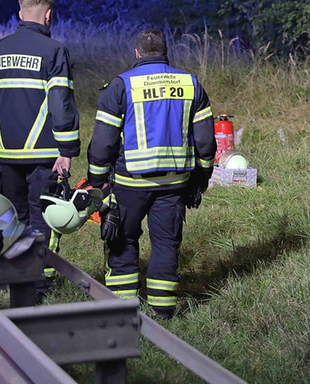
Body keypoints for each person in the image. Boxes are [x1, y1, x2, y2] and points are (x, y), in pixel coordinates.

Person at [86, 28, 215, 320]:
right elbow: (206, 142)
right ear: (166, 53)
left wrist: (96, 185)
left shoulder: (121, 86)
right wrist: (201, 178)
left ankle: (121, 310)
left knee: (123, 241)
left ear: (137, 53)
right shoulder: (190, 83)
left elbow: (104, 142)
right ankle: (163, 309)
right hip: (174, 184)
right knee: (166, 243)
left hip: (130, 183)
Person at [0, 0, 80, 292]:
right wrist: (67, 150)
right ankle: (39, 283)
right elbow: (61, 103)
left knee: (13, 216)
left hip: (7, 155)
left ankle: (13, 278)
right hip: (44, 153)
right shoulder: (54, 50)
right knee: (42, 217)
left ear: (19, 14)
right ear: (49, 15)